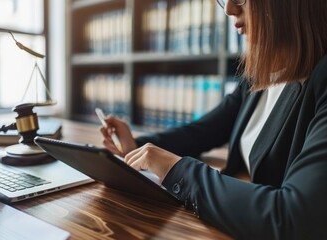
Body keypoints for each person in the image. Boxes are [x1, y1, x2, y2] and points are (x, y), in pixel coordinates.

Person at [100, 0, 327, 239]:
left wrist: (177, 171)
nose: (229, 8)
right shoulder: (262, 74)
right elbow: (204, 131)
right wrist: (136, 146)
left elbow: (296, 218)